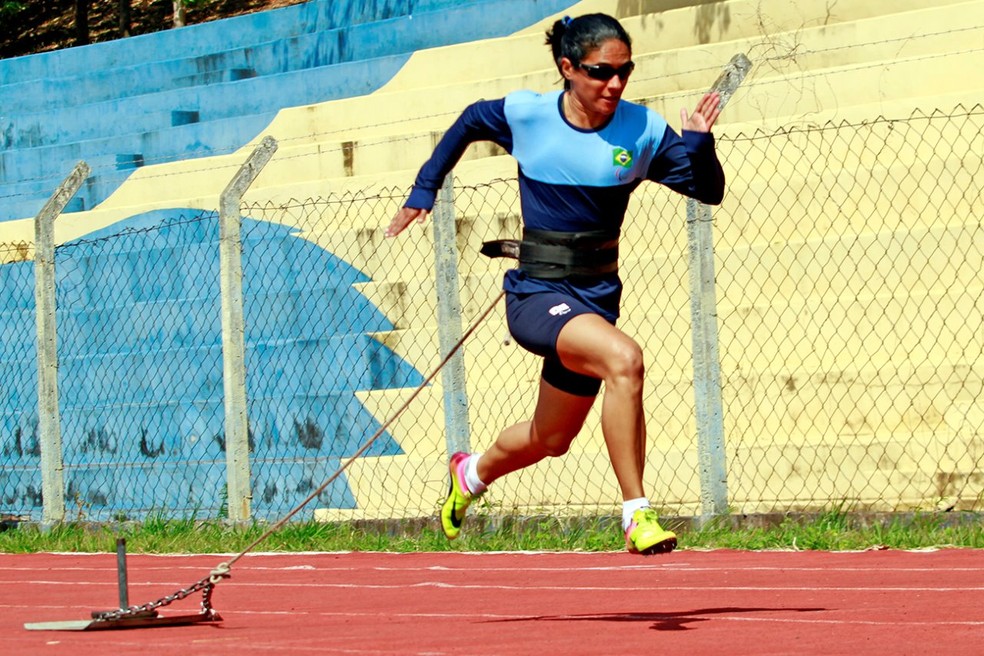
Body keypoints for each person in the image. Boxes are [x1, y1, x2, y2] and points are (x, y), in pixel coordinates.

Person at [385, 13, 725, 554]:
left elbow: (708, 192)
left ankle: (469, 473)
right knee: (625, 361)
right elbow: (470, 120)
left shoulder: (642, 132)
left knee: (552, 438)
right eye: (600, 71)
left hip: (595, 300)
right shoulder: (529, 115)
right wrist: (425, 188)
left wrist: (699, 144)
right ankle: (637, 514)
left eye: (624, 70)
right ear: (568, 68)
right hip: (536, 295)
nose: (615, 83)